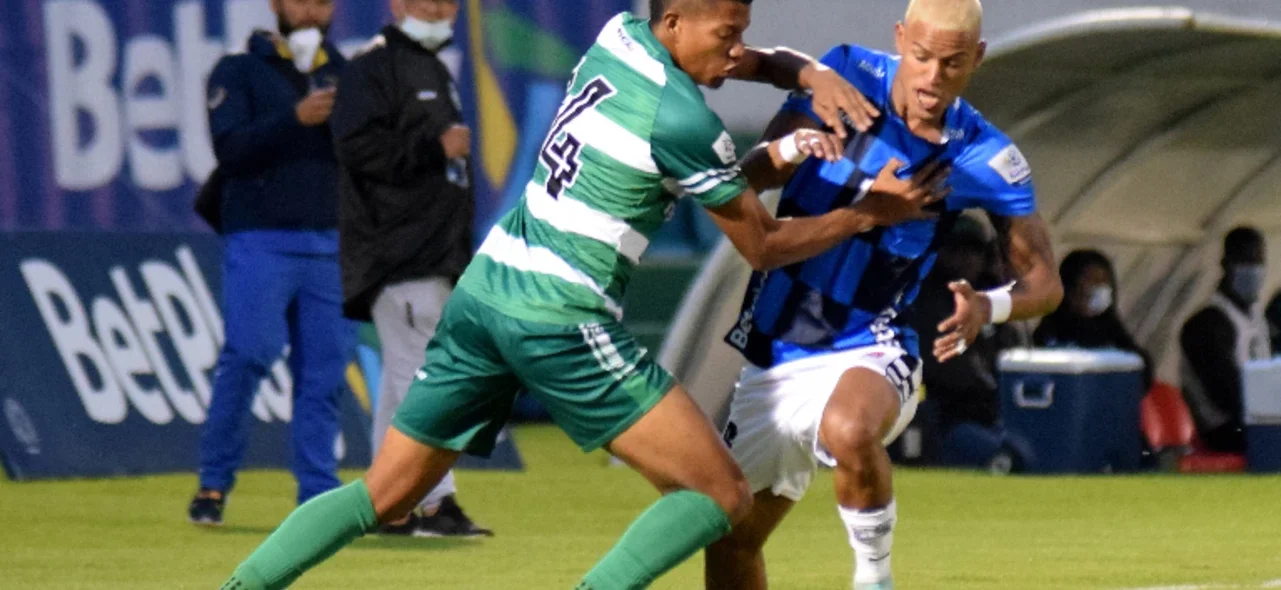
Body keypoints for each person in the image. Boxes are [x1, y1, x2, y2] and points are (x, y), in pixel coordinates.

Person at [218, 0, 943, 587]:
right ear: (673, 25)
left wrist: (799, 76)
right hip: (559, 317)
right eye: (727, 33)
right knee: (720, 496)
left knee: (386, 495)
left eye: (743, 33)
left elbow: (717, 156)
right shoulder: (682, 119)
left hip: (485, 293)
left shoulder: (618, 37)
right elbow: (762, 243)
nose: (736, 50)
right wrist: (870, 213)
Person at [704, 1, 1064, 588]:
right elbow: (747, 181)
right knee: (730, 539)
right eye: (920, 57)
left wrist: (988, 306)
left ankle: (875, 580)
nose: (932, 76)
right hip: (773, 354)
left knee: (849, 429)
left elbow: (1045, 283)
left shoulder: (984, 155)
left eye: (951, 64)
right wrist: (797, 149)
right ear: (900, 39)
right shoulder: (842, 77)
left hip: (870, 346)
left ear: (976, 59)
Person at [330, 0, 489, 538]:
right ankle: (432, 502)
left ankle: (387, 505)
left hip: (430, 250)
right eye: (427, 0)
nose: (440, 9)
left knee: (404, 382)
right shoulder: (372, 67)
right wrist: (430, 146)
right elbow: (353, 148)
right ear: (397, 5)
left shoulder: (430, 66)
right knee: (424, 379)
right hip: (397, 250)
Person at [189, 0, 350, 527]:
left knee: (323, 374)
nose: (310, 10)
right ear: (276, 4)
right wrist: (293, 119)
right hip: (261, 236)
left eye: (322, 1)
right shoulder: (239, 70)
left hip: (327, 241)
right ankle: (213, 483)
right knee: (250, 354)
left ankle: (318, 493)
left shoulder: (341, 72)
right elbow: (229, 148)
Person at [1180, 227, 1272, 453]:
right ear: (1225, 264)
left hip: (1258, 420)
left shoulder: (1256, 318)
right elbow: (1227, 394)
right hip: (1223, 431)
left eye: (1258, 261)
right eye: (1244, 261)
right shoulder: (1206, 324)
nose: (1253, 269)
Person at [1034, 249, 1154, 388]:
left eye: (1104, 282)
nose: (1100, 288)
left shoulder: (1115, 334)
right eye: (1092, 280)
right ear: (1071, 287)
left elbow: (1140, 373)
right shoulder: (1049, 334)